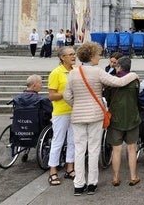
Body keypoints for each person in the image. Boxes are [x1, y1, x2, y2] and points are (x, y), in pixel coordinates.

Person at [63, 41, 139, 196]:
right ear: (91, 56)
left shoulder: (72, 73)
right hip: (95, 115)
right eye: (98, 55)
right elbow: (118, 81)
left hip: (78, 115)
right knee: (93, 149)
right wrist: (133, 75)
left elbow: (67, 96)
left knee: (79, 149)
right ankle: (92, 184)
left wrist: (77, 105)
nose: (99, 57)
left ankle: (78, 185)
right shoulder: (97, 72)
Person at [106, 57, 141, 187]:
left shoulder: (112, 81)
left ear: (119, 67)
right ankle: (133, 176)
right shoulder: (135, 82)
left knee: (116, 149)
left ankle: (115, 177)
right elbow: (138, 98)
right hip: (132, 117)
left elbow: (107, 98)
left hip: (116, 118)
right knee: (132, 148)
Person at [47, 46, 77, 187]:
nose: (74, 56)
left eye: (74, 54)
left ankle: (70, 168)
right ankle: (53, 170)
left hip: (75, 111)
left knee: (73, 141)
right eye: (70, 54)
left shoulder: (75, 71)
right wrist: (66, 95)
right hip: (61, 112)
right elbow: (52, 96)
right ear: (62, 57)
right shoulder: (56, 73)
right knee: (58, 141)